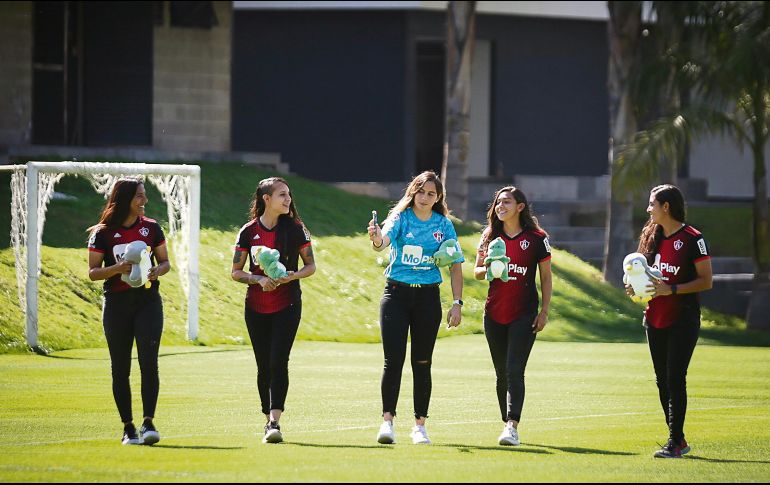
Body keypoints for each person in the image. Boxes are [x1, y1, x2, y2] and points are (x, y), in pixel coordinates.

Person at [367, 170, 464, 445]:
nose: (424, 197)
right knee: (392, 361)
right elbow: (383, 241)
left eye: (430, 193)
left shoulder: (444, 225)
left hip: (428, 299)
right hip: (396, 295)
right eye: (420, 191)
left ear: (438, 198)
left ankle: (420, 426)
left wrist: (457, 303)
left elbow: (456, 265)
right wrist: (376, 237)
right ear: (413, 192)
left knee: (422, 363)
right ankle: (387, 422)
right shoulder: (400, 218)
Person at [627, 184, 712, 458]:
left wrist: (672, 289)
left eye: (652, 204)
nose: (648, 209)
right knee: (662, 380)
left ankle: (675, 441)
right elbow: (642, 275)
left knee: (676, 378)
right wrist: (634, 288)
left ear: (666, 206)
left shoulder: (692, 238)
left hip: (683, 319)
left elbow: (706, 281)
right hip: (654, 318)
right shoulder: (650, 237)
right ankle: (678, 439)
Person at [231, 176, 315, 444]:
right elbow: (235, 272)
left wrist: (289, 277)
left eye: (288, 194)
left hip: (288, 304)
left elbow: (310, 267)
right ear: (266, 199)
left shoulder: (296, 229)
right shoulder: (247, 232)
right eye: (281, 195)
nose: (287, 199)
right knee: (263, 365)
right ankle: (266, 415)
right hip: (255, 307)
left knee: (279, 361)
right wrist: (259, 279)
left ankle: (274, 422)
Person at [87, 178, 170, 446]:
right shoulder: (102, 233)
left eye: (144, 195)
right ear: (124, 200)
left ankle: (148, 423)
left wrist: (158, 270)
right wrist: (117, 268)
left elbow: (165, 262)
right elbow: (92, 273)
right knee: (120, 368)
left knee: (149, 363)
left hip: (148, 302)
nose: (144, 201)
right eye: (139, 196)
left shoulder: (152, 228)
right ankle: (128, 427)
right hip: (117, 305)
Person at [474, 186, 552, 446]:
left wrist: (544, 311)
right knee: (501, 374)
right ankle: (506, 423)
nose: (500, 206)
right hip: (494, 314)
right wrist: (491, 268)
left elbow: (546, 277)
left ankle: (512, 427)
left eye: (506, 202)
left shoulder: (537, 237)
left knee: (515, 370)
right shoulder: (489, 235)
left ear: (520, 207)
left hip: (524, 314)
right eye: (498, 202)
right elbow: (476, 272)